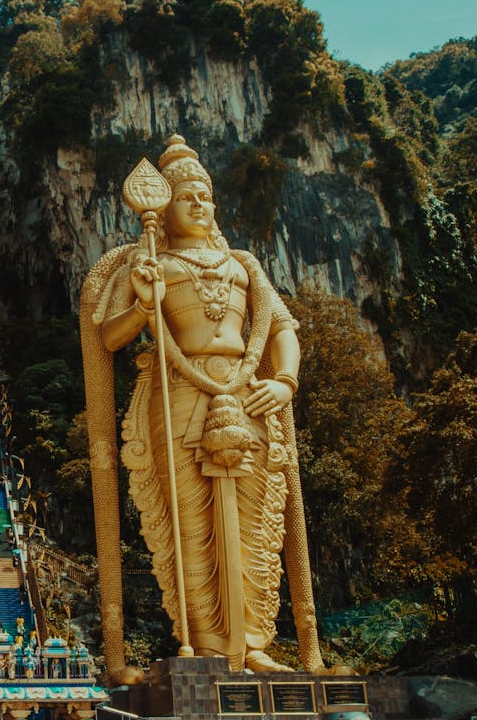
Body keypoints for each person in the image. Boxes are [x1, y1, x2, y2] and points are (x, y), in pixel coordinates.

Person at [82, 134, 317, 674]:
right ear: (162, 207)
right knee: (190, 528)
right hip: (179, 394)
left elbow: (281, 327)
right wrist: (144, 305)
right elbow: (109, 337)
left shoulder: (244, 265)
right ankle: (209, 646)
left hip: (247, 394)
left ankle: (255, 645)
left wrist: (285, 381)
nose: (198, 203)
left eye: (205, 195)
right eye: (186, 195)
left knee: (256, 523)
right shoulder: (148, 264)